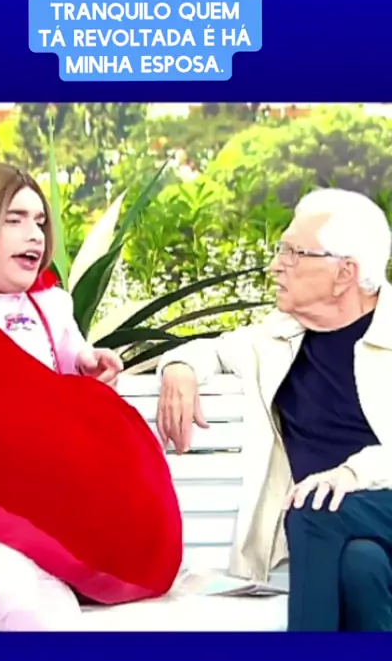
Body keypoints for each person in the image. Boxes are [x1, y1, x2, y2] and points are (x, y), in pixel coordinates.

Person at [0, 162, 182, 631]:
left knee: (29, 598)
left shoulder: (51, 304)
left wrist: (87, 362)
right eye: (14, 219)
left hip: (19, 498)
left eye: (39, 221)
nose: (34, 234)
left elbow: (64, 365)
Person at [156, 187, 392, 631]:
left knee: (313, 510)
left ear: (344, 273)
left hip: (356, 504)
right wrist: (180, 369)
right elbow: (212, 349)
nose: (276, 265)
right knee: (361, 567)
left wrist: (350, 474)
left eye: (294, 253)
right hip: (343, 533)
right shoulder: (280, 337)